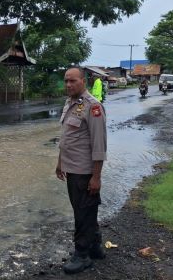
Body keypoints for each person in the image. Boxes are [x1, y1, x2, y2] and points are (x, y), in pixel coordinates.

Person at [56, 67, 107, 274]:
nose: (69, 85)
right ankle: (95, 246)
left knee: (83, 213)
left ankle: (82, 255)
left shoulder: (93, 107)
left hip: (85, 171)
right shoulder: (70, 104)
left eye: (73, 81)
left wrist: (96, 177)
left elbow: (99, 146)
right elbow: (67, 137)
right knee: (84, 210)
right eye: (66, 81)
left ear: (83, 82)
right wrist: (60, 162)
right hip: (71, 168)